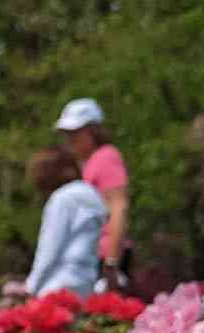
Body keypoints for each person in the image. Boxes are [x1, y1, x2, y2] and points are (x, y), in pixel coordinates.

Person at [54, 98, 130, 287]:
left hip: (105, 258)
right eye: (67, 134)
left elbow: (119, 207)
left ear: (93, 131)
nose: (70, 140)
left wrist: (112, 261)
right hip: (92, 254)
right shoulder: (91, 161)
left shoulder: (106, 157)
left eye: (75, 133)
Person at [25, 146, 108, 298]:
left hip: (57, 281)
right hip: (85, 280)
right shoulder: (93, 195)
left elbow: (50, 247)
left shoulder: (62, 198)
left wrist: (32, 286)